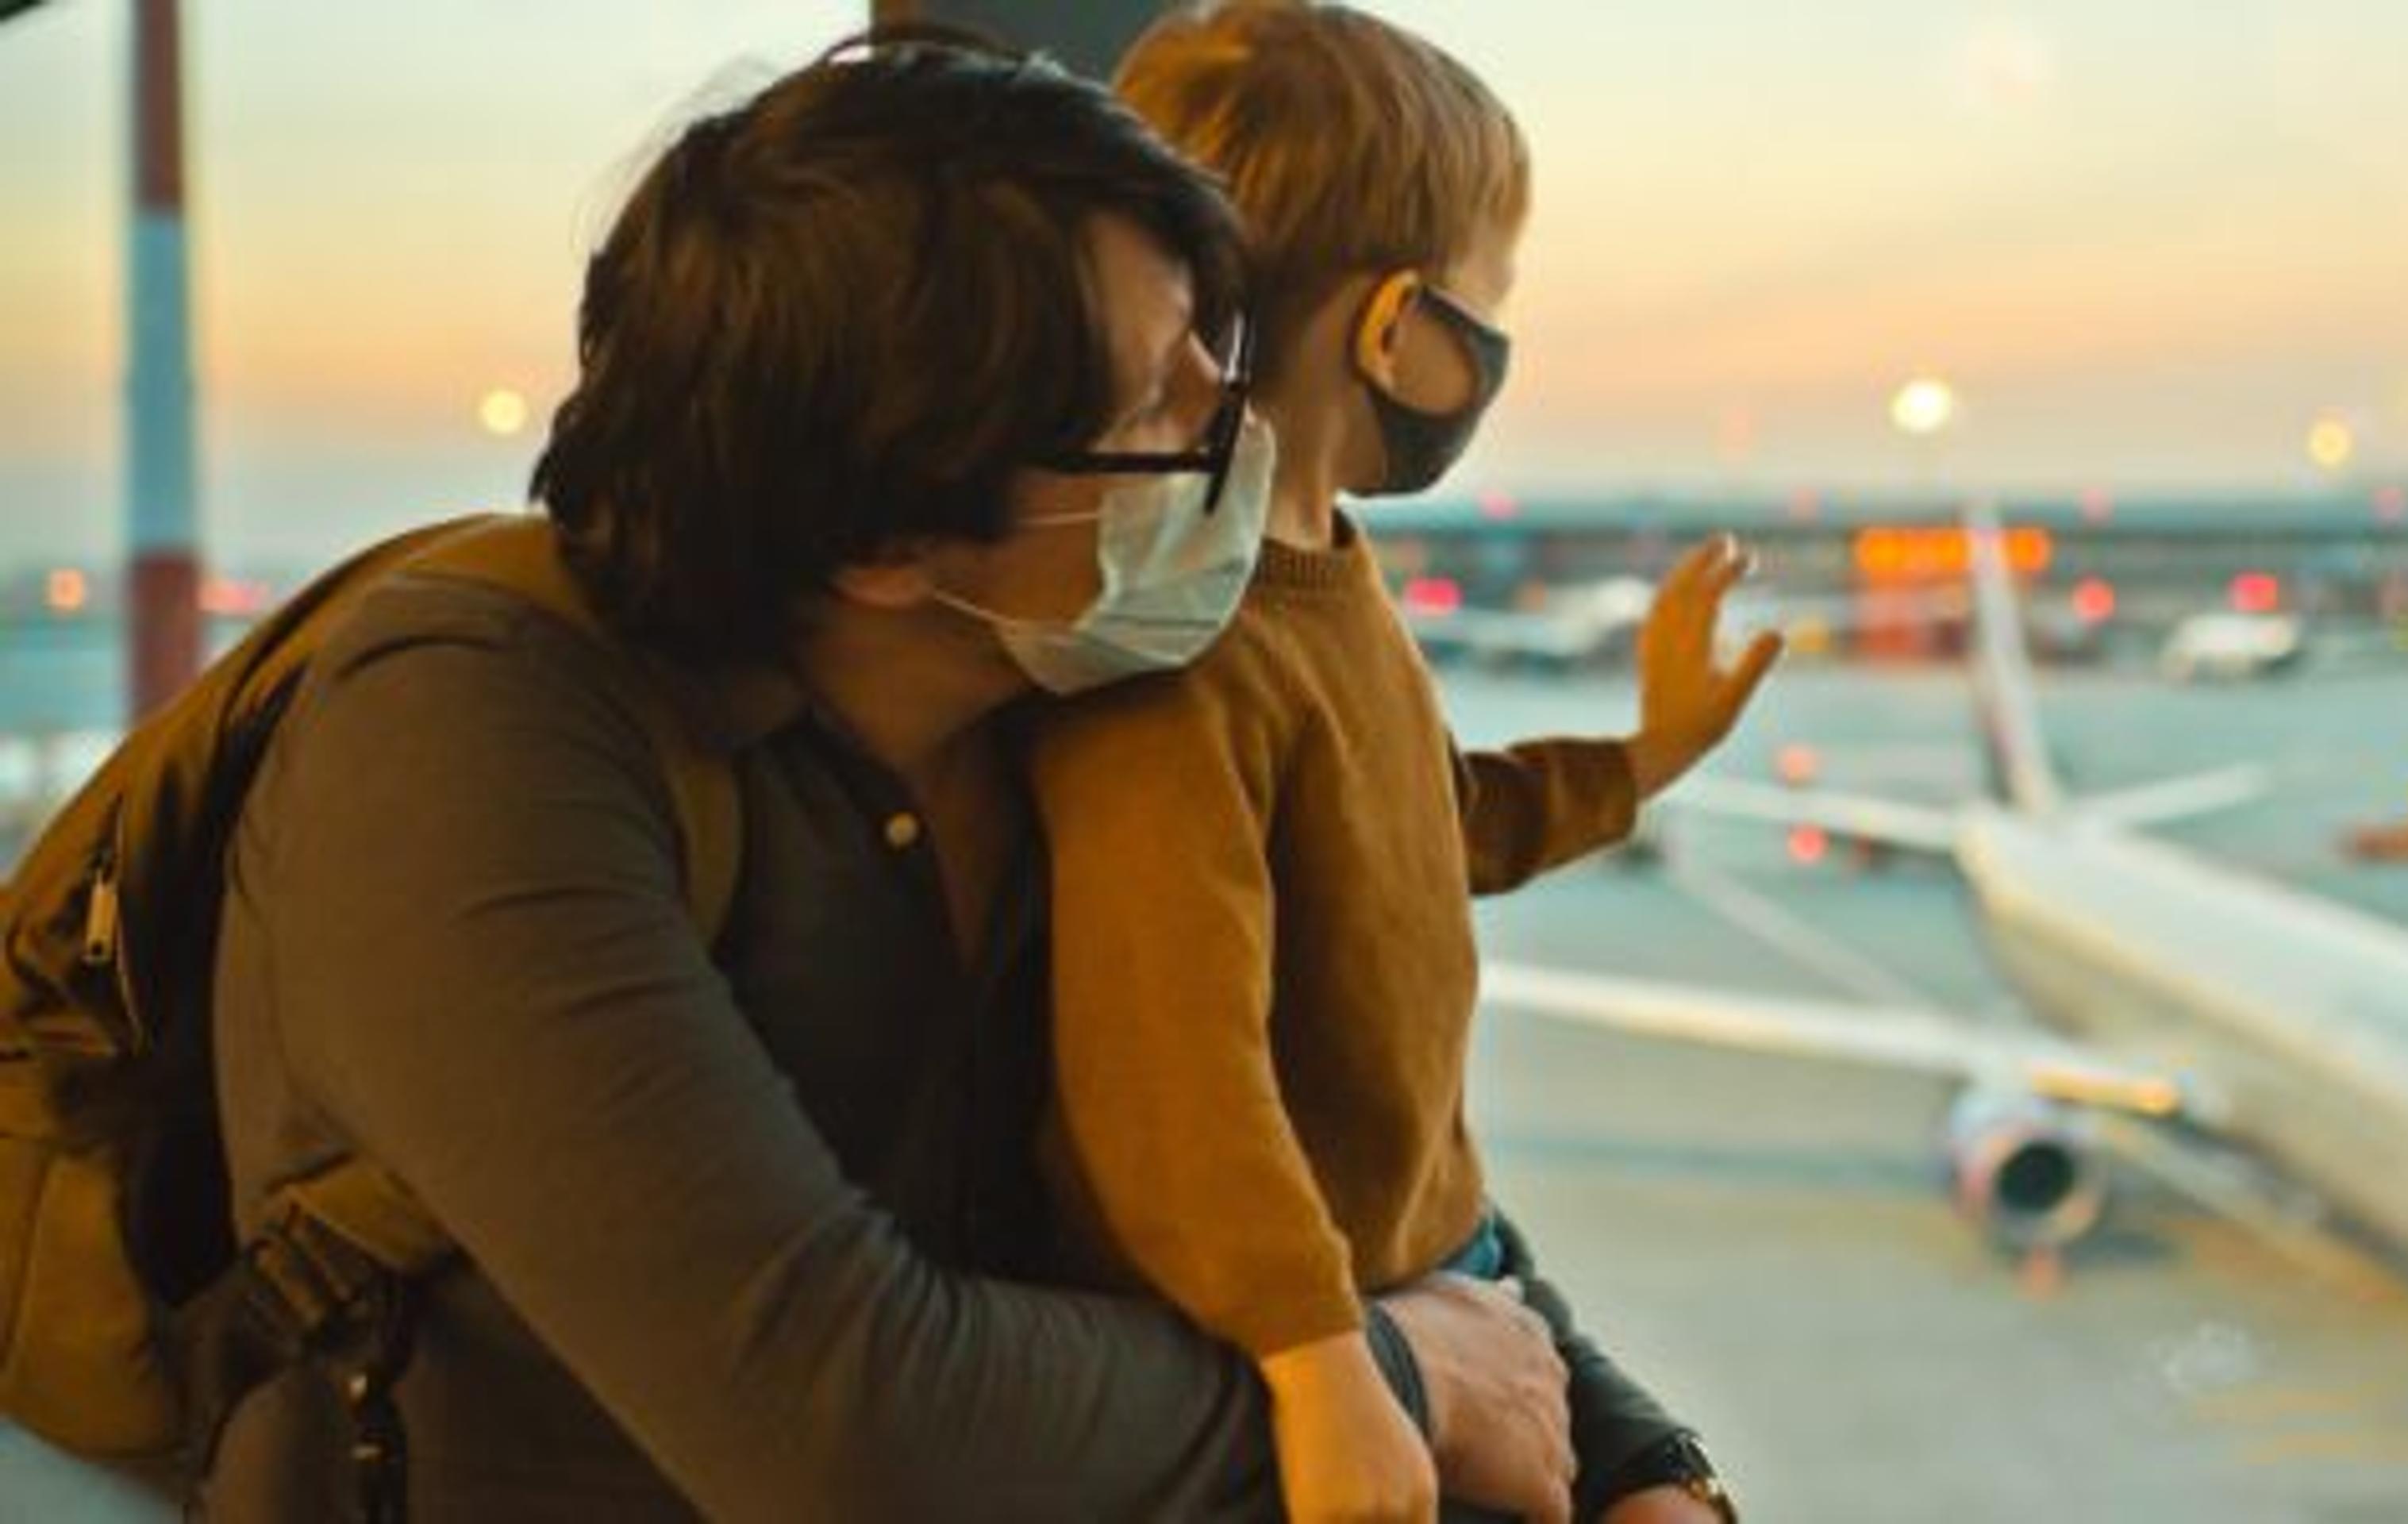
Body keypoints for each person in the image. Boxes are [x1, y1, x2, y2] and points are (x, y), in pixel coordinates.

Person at [206, 31, 1633, 1519]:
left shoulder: (1058, 675)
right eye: (1162, 400)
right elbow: (840, 1415)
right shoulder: (470, 742)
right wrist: (1394, 1384)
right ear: (894, 536)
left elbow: (1347, 1135)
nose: (1238, 422)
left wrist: (1633, 1455)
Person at [1024, 6, 1777, 1520]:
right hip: (1313, 1351)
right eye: (1492, 296)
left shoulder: (1327, 572)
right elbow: (1171, 1073)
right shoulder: (1193, 652)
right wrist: (1320, 1359)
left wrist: (1644, 755)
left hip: (1440, 1279)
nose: (1500, 339)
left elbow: (1424, 826)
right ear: (1396, 328)